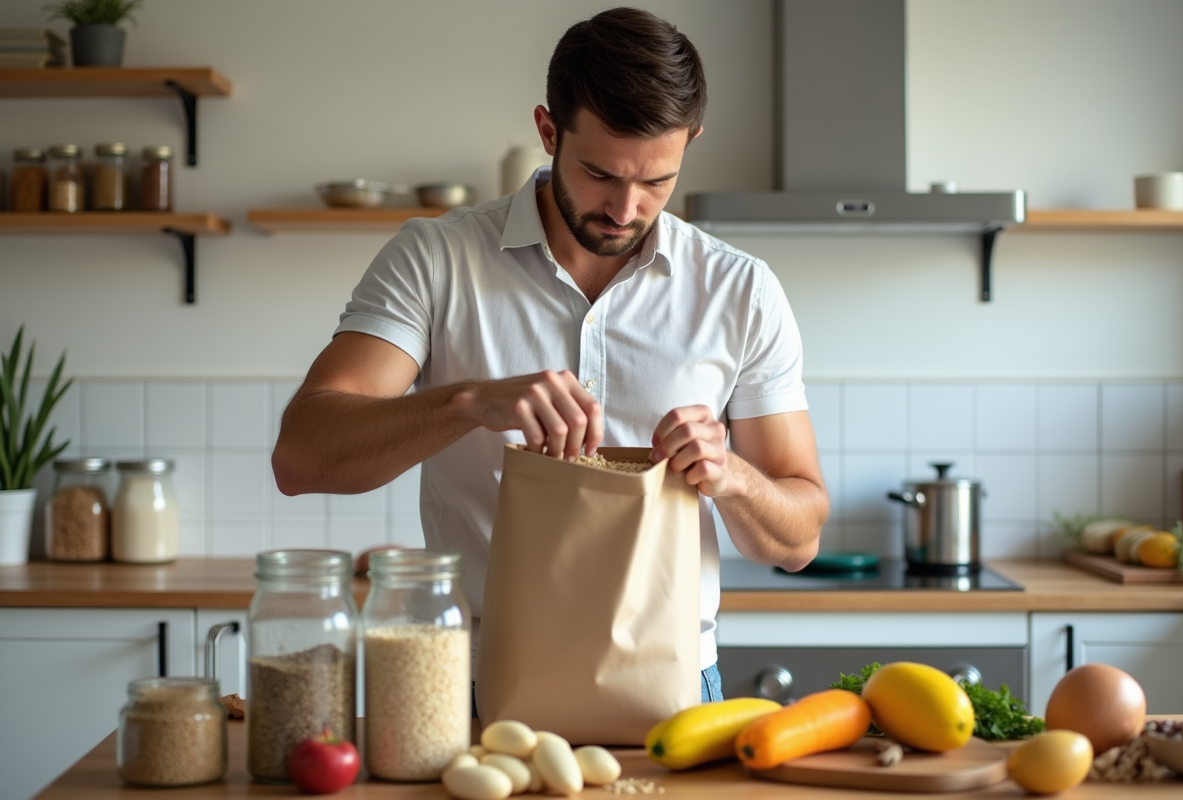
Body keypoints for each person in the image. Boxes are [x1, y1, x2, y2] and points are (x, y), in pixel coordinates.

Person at [272, 6, 828, 703]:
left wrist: (734, 477)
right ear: (546, 131)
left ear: (690, 143)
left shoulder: (740, 290)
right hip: (471, 685)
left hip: (677, 686)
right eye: (600, 173)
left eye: (656, 181)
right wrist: (468, 401)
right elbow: (301, 456)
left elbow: (798, 538)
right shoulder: (437, 260)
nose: (626, 208)